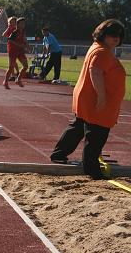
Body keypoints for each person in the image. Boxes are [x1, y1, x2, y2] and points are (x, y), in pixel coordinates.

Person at [50, 19, 126, 179]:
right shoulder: (102, 52)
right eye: (112, 35)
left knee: (78, 126)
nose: (116, 38)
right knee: (96, 134)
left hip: (86, 97)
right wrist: (102, 96)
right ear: (103, 34)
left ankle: (59, 153)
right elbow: (96, 71)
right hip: (95, 100)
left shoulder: (97, 48)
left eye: (118, 35)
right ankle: (92, 170)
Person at [2, 17, 28, 89]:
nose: (23, 25)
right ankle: (5, 82)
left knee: (25, 66)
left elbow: (25, 39)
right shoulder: (14, 32)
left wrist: (27, 46)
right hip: (13, 51)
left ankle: (18, 79)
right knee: (11, 68)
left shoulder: (23, 31)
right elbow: (10, 40)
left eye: (24, 24)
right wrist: (20, 45)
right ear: (18, 24)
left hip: (20, 51)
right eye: (21, 24)